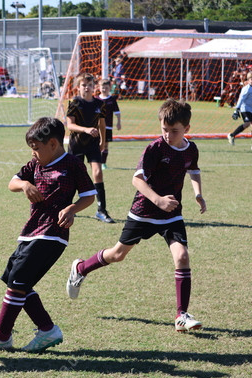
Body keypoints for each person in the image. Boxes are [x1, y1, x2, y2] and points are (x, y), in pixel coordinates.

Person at [66, 99, 207, 333]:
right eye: (164, 129)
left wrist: (198, 194)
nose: (168, 135)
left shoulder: (191, 149)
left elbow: (193, 169)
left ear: (187, 129)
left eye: (174, 131)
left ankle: (181, 315)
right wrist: (158, 200)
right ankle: (81, 268)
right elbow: (137, 179)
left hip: (171, 214)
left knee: (182, 256)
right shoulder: (155, 148)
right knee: (117, 254)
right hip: (144, 212)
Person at [0, 117, 96, 352]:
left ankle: (1, 335)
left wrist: (71, 209)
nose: (33, 153)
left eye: (36, 148)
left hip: (53, 234)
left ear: (53, 144)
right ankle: (46, 329)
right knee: (15, 280)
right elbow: (12, 182)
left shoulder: (73, 164)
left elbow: (88, 195)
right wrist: (25, 185)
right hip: (31, 232)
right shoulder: (34, 165)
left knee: (18, 281)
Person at [66, 72, 114, 223]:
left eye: (90, 85)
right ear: (78, 87)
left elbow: (102, 125)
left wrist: (103, 142)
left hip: (93, 144)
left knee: (98, 173)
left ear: (94, 87)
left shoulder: (99, 104)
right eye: (84, 85)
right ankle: (68, 207)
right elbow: (70, 125)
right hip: (76, 144)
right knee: (73, 177)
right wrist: (86, 129)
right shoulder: (74, 103)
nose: (87, 87)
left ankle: (101, 210)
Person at [96, 78, 122, 170]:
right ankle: (96, 162)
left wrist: (118, 122)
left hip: (108, 127)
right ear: (99, 88)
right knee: (96, 144)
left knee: (105, 145)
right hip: (97, 127)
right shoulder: (96, 99)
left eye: (106, 88)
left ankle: (103, 163)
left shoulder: (112, 100)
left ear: (109, 88)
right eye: (102, 87)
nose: (104, 89)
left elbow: (117, 112)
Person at [227, 71, 252, 147]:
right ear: (248, 80)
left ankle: (232, 135)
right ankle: (232, 135)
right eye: (251, 79)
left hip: (250, 109)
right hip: (245, 109)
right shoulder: (246, 89)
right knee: (248, 123)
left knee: (247, 124)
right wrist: (237, 109)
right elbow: (241, 99)